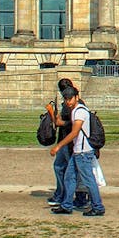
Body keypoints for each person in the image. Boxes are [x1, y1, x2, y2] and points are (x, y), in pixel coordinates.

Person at [50, 85, 105, 217]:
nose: (68, 101)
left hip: (83, 152)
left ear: (76, 97)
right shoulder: (75, 111)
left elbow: (74, 132)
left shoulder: (80, 111)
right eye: (66, 99)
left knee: (88, 180)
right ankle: (66, 205)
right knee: (69, 178)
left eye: (70, 98)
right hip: (78, 152)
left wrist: (58, 146)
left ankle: (98, 206)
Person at [46, 78, 88, 209]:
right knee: (62, 168)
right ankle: (64, 195)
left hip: (69, 142)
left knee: (68, 170)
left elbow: (64, 123)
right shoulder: (72, 103)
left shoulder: (76, 105)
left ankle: (72, 197)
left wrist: (51, 113)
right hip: (66, 141)